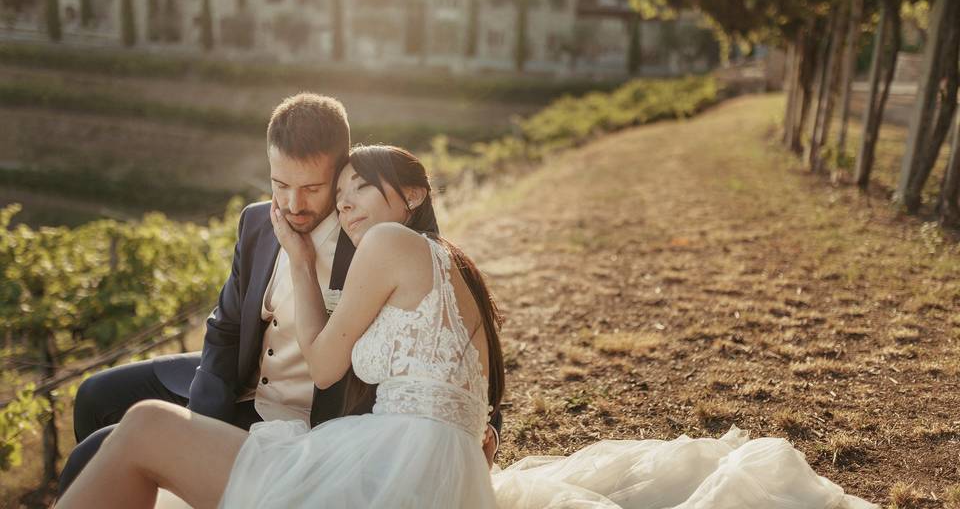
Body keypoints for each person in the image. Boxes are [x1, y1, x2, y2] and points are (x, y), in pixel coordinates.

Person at [58, 144, 876, 509]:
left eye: (359, 187)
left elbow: (326, 351)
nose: (343, 204)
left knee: (139, 430)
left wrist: (301, 264)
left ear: (407, 196)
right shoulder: (458, 269)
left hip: (388, 472)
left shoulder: (386, 244)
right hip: (440, 474)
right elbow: (471, 398)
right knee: (136, 423)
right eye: (338, 192)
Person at [57, 94, 501, 497]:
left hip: (310, 421)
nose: (292, 205)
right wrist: (203, 417)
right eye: (279, 184)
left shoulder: (374, 238)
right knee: (96, 395)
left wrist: (482, 430)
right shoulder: (256, 222)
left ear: (341, 169)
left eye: (311, 188)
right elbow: (227, 328)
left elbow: (448, 347)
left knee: (103, 449)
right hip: (248, 385)